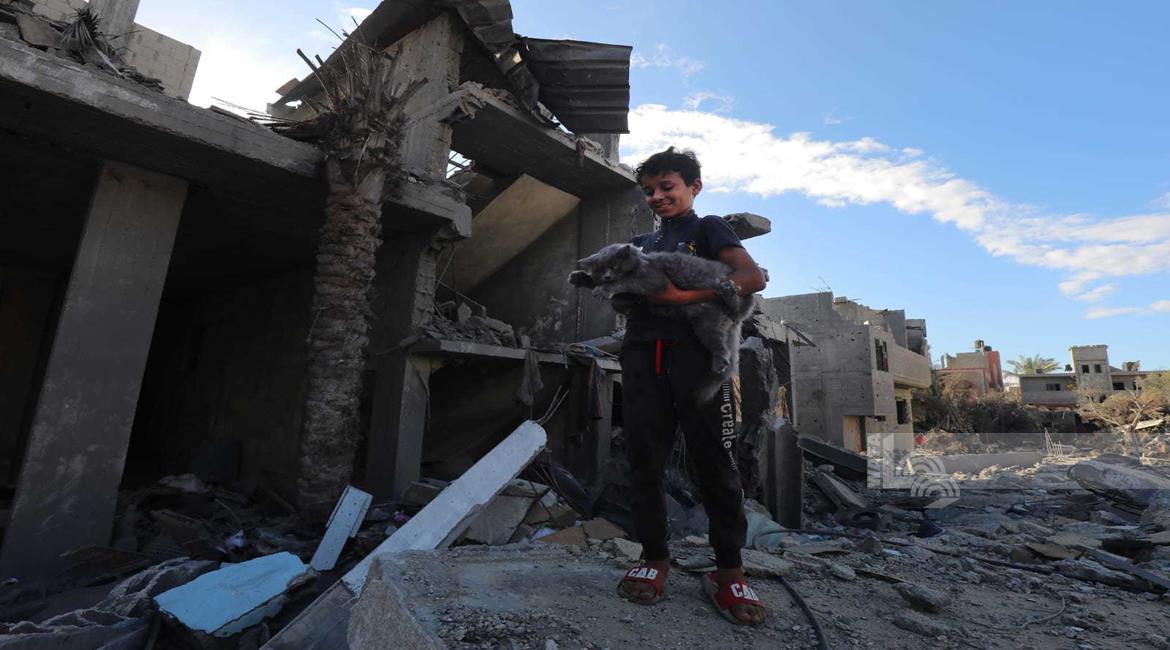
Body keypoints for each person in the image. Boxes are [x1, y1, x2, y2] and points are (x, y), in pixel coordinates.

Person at [615, 147, 768, 625]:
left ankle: (730, 571)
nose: (657, 197)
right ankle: (654, 557)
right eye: (649, 191)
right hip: (643, 359)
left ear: (693, 187)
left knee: (715, 463)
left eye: (667, 187)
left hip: (699, 361)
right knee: (644, 461)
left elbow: (751, 277)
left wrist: (683, 296)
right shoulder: (640, 244)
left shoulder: (709, 229)